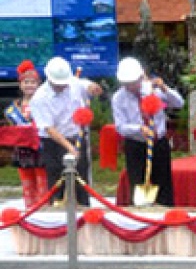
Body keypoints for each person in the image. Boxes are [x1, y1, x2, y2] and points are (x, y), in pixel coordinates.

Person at [30, 56, 103, 205]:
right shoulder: (39, 98)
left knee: (81, 177)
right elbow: (49, 129)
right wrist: (70, 148)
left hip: (77, 136)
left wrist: (92, 87)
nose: (62, 86)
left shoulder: (73, 83)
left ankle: (83, 206)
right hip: (53, 142)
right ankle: (57, 209)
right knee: (57, 178)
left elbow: (86, 85)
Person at [111, 58, 183, 207]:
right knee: (138, 186)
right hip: (136, 144)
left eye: (134, 82)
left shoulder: (153, 89)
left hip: (159, 142)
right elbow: (120, 126)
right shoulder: (118, 98)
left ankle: (165, 212)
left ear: (140, 77)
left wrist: (165, 88)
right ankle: (140, 214)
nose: (132, 86)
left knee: (163, 185)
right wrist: (139, 128)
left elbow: (179, 103)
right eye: (127, 84)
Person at [4, 60, 47, 207]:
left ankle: (44, 210)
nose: (29, 85)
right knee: (27, 184)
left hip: (41, 148)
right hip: (23, 150)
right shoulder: (14, 107)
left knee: (42, 182)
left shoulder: (44, 102)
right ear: (20, 84)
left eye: (33, 82)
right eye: (26, 82)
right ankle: (29, 210)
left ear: (38, 84)